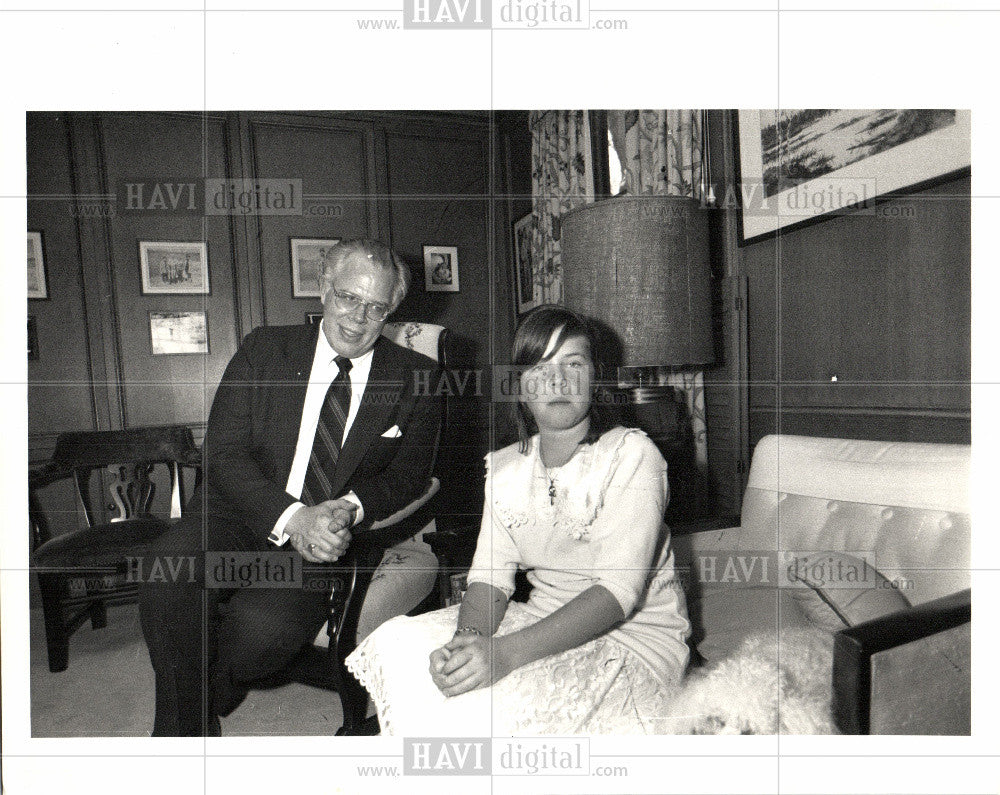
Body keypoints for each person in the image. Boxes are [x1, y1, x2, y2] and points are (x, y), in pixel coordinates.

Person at [139, 239, 441, 736]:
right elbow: (223, 453)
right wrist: (292, 517)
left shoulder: (418, 377)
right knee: (166, 575)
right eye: (347, 297)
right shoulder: (266, 349)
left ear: (392, 310)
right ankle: (183, 737)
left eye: (376, 307)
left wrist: (346, 510)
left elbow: (408, 476)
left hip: (325, 538)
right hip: (239, 511)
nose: (357, 318)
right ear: (323, 289)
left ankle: (211, 681)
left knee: (264, 633)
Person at [347, 305, 690, 735]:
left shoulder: (632, 455)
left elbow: (617, 593)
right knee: (405, 645)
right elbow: (490, 578)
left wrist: (505, 655)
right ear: (521, 386)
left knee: (490, 708)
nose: (558, 381)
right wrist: (467, 641)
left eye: (574, 364)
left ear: (595, 378)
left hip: (630, 644)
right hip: (538, 622)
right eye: (539, 367)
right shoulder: (506, 467)